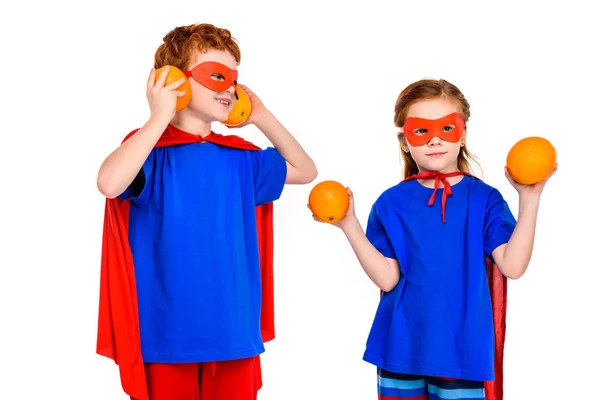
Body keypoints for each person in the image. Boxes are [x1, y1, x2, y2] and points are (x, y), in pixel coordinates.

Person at [96, 23, 317, 400]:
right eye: (216, 76)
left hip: (233, 332)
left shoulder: (239, 159)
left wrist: (261, 116)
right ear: (173, 81)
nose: (229, 88)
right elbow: (110, 183)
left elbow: (305, 170)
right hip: (166, 334)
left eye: (234, 79)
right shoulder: (148, 153)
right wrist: (158, 116)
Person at [312, 79, 556, 400]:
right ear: (404, 140)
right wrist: (349, 224)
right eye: (422, 131)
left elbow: (512, 265)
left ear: (463, 132)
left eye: (447, 128)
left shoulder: (484, 199)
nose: (435, 140)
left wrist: (529, 198)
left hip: (461, 353)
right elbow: (387, 279)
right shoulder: (391, 203)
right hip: (401, 348)